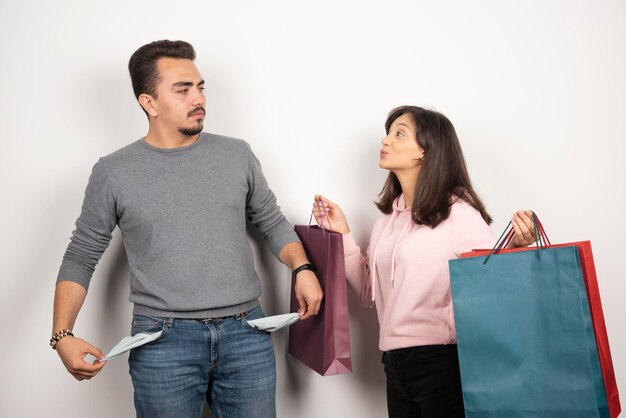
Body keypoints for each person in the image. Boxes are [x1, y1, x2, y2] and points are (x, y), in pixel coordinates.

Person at [51, 39, 323, 418]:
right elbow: (81, 255)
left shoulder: (236, 154)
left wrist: (303, 268)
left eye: (200, 87)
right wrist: (61, 335)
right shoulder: (114, 171)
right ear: (149, 103)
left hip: (248, 333)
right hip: (162, 342)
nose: (198, 99)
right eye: (182, 89)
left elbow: (271, 221)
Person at [312, 105, 536, 418]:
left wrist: (514, 245)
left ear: (424, 151)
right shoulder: (388, 220)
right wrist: (344, 234)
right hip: (393, 364)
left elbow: (491, 284)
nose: (386, 140)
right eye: (388, 133)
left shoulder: (458, 214)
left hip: (443, 362)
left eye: (399, 133)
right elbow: (368, 292)